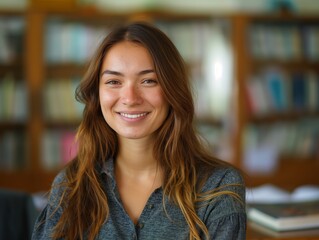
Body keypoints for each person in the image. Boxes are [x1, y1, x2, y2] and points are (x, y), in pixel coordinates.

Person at [32, 21, 246, 240]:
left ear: (173, 90)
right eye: (114, 81)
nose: (130, 99)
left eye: (148, 81)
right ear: (97, 94)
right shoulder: (71, 186)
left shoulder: (218, 187)